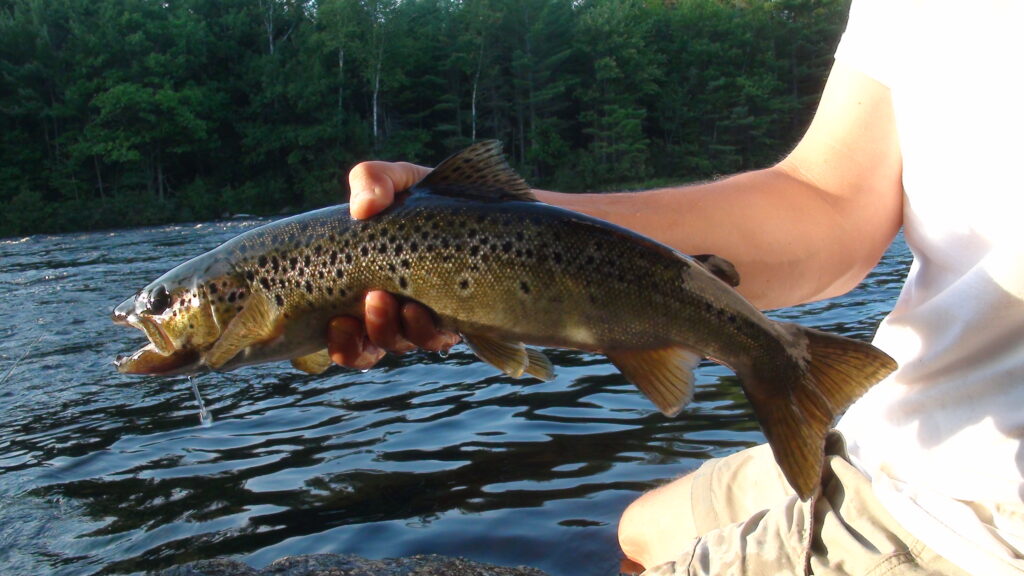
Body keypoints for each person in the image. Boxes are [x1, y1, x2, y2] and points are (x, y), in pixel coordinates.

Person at [327, 1, 1024, 574]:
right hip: (913, 434)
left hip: (985, 514)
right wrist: (475, 224)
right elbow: (831, 202)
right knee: (639, 528)